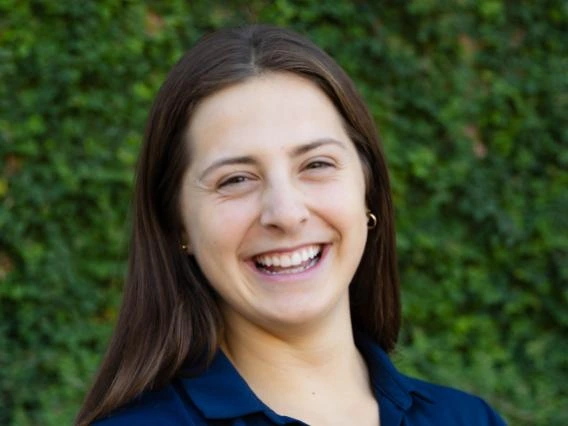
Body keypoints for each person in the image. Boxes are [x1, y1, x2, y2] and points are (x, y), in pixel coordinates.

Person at [76, 25, 506, 426]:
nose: (285, 213)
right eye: (236, 179)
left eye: (316, 164)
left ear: (367, 192)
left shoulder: (469, 418)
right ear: (179, 224)